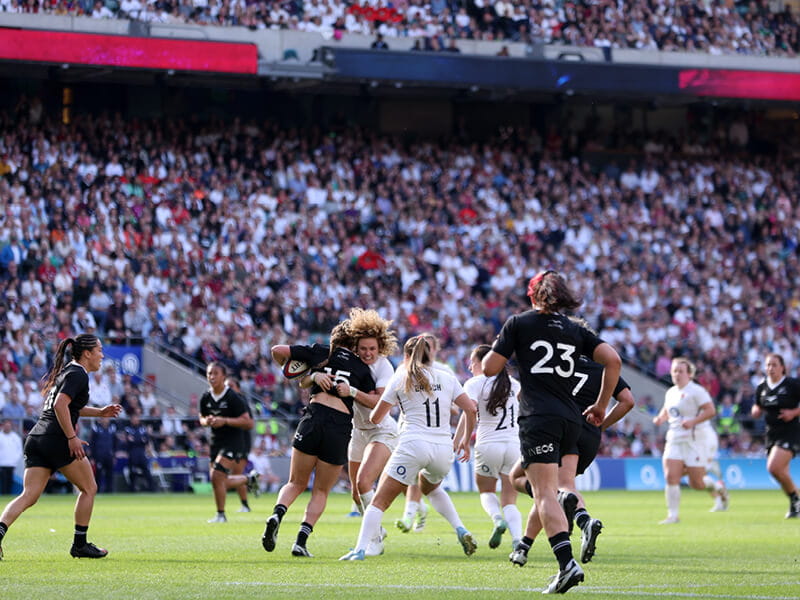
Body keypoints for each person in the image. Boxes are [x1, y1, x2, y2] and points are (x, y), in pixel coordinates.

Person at [482, 270, 621, 594]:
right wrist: (601, 406)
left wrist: (505, 344)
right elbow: (613, 360)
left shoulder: (520, 323)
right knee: (548, 489)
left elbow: (489, 367)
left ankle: (566, 565)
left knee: (543, 493)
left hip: (538, 416)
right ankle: (562, 511)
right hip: (571, 419)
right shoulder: (575, 329)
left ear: (532, 296)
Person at [340, 335, 478, 561]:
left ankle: (360, 549)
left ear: (406, 355)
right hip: (443, 449)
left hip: (413, 444)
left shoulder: (400, 377)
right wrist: (464, 440)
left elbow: (375, 418)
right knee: (431, 488)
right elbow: (471, 410)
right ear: (429, 353)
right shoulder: (447, 376)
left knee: (379, 502)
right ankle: (460, 529)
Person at [0, 334, 122, 560]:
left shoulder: (69, 371)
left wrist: (99, 412)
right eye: (99, 350)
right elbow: (60, 405)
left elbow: (69, 406)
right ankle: (80, 544)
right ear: (87, 353)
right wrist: (72, 437)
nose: (102, 355)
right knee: (89, 488)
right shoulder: (78, 374)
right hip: (57, 439)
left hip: (37, 437)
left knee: (29, 495)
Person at [509, 350, 635, 567]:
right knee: (546, 487)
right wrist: (601, 426)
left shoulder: (557, 362)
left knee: (545, 485)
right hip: (589, 434)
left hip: (560, 429)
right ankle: (524, 545)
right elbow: (628, 401)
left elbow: (524, 394)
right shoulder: (602, 369)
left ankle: (583, 519)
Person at [263, 319, 375, 557]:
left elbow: (277, 352)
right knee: (321, 491)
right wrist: (353, 391)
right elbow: (374, 400)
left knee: (295, 482)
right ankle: (300, 542)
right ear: (355, 343)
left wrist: (307, 374)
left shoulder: (319, 352)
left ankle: (277, 514)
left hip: (314, 417)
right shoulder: (363, 368)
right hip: (339, 425)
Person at [460, 344, 522, 550]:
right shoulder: (514, 384)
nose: (470, 366)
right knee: (510, 500)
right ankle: (517, 541)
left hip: (488, 444)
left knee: (486, 491)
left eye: (473, 361)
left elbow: (469, 411)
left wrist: (466, 441)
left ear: (484, 362)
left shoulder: (475, 384)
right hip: (514, 445)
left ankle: (497, 520)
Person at [653, 357, 729, 524]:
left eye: (681, 371)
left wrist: (693, 422)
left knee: (696, 483)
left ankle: (717, 488)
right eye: (674, 371)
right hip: (674, 438)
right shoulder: (671, 392)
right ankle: (673, 515)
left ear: (689, 374)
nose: (677, 374)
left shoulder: (697, 391)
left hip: (695, 440)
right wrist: (660, 418)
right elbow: (668, 410)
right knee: (670, 476)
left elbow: (710, 410)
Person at [199, 362, 257, 523]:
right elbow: (201, 417)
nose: (211, 377)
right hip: (215, 442)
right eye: (209, 373)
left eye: (215, 373)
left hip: (233, 442)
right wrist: (208, 421)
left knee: (217, 475)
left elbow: (248, 422)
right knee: (217, 479)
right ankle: (248, 481)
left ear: (223, 376)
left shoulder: (233, 397)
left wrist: (224, 420)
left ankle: (223, 513)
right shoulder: (206, 396)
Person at [751, 353, 800, 518]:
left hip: (791, 431)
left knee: (774, 467)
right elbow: (757, 406)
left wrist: (793, 412)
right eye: (768, 365)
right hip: (771, 433)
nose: (770, 368)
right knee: (778, 473)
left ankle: (796, 500)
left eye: (774, 365)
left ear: (782, 367)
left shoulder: (792, 384)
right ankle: (796, 504)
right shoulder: (762, 387)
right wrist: (755, 411)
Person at [225, 376, 256, 513]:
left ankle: (245, 503)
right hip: (231, 443)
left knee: (235, 473)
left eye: (231, 386)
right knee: (232, 474)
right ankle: (249, 483)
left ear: (238, 388)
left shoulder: (240, 402)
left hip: (240, 443)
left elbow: (249, 423)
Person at [124, 412, 156, 493]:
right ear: (131, 420)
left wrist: (136, 440)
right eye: (133, 418)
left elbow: (146, 440)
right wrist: (140, 440)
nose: (135, 420)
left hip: (141, 453)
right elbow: (129, 440)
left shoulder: (142, 428)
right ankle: (132, 489)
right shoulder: (128, 429)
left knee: (146, 470)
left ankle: (152, 488)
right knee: (132, 471)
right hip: (132, 452)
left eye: (136, 418)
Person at [89, 417, 119, 493]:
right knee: (98, 474)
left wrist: (114, 455)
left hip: (109, 455)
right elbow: (92, 443)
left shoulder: (112, 428)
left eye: (106, 418)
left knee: (110, 474)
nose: (105, 420)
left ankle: (109, 490)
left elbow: (115, 443)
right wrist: (92, 457)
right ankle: (97, 490)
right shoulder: (96, 429)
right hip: (99, 456)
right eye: (103, 418)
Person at [0, 419, 23, 495]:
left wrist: (14, 461)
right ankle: (3, 494)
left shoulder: (16, 437)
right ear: (3, 426)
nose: (7, 427)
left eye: (9, 426)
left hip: (12, 463)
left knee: (10, 480)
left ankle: (8, 494)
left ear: (11, 427)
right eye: (6, 425)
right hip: (2, 463)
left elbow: (19, 450)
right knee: (3, 480)